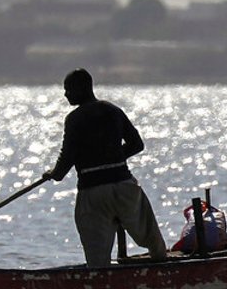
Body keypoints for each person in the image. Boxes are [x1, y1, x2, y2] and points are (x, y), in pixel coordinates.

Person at [41, 68, 167, 266]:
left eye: (69, 89)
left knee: (97, 255)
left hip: (93, 194)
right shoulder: (113, 110)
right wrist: (113, 159)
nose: (66, 94)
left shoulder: (74, 119)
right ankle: (161, 261)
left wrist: (53, 174)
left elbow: (65, 160)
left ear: (84, 88)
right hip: (124, 186)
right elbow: (137, 144)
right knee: (148, 231)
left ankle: (100, 283)